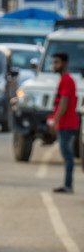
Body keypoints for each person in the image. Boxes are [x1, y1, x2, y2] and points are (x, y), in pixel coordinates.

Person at [49, 51, 78, 194]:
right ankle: (67, 184)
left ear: (64, 64)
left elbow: (64, 101)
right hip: (64, 124)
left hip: (67, 124)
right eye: (53, 62)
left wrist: (55, 120)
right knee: (67, 155)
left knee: (68, 156)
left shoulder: (66, 79)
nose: (54, 65)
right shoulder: (64, 79)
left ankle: (68, 185)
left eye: (57, 62)